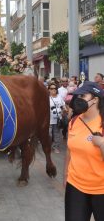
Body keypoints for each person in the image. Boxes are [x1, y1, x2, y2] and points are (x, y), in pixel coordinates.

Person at [64, 81, 104, 221]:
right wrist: (65, 176)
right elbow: (69, 151)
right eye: (78, 95)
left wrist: (102, 143)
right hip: (75, 187)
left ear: (95, 99)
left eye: (83, 95)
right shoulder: (73, 122)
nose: (79, 99)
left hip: (101, 189)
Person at [49, 83, 66, 153]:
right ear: (49, 90)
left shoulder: (59, 97)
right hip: (49, 119)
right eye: (51, 88)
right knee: (48, 134)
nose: (53, 90)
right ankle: (48, 146)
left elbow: (63, 105)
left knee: (56, 133)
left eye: (55, 88)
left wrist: (64, 110)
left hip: (58, 119)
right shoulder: (47, 98)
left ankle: (56, 147)